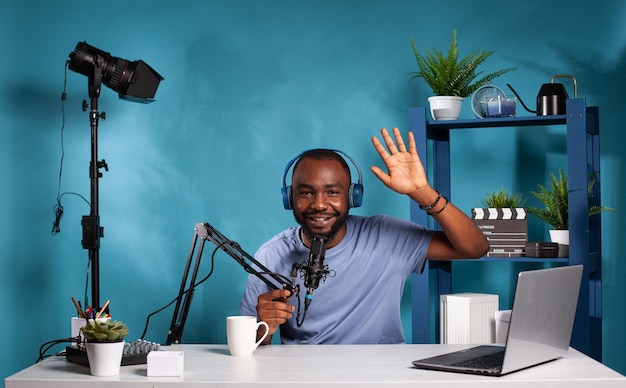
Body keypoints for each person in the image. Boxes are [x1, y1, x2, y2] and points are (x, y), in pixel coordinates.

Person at [239, 127, 489, 344]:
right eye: (306, 193)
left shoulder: (387, 237)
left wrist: (422, 192)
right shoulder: (271, 255)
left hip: (380, 377)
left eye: (332, 192)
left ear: (352, 197)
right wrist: (264, 328)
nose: (319, 204)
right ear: (289, 199)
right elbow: (250, 350)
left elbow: (474, 247)